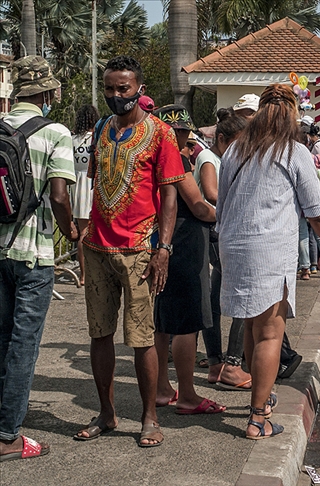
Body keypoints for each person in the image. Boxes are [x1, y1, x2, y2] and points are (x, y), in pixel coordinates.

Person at [217, 83, 320, 440]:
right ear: (292, 114)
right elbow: (316, 211)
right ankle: (258, 419)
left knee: (249, 326)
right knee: (271, 333)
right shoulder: (294, 151)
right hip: (269, 248)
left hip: (234, 245)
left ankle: (261, 396)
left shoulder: (234, 151)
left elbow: (222, 205)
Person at [75, 56, 185, 448]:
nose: (116, 95)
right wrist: (82, 235)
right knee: (99, 334)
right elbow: (92, 184)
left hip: (140, 248)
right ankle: (107, 413)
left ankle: (149, 417)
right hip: (98, 248)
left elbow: (170, 194)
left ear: (139, 88)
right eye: (109, 88)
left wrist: (164, 249)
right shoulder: (102, 129)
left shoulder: (160, 133)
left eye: (123, 88)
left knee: (141, 338)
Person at [0, 55, 78, 462]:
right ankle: (9, 435)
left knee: (0, 338)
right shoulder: (56, 133)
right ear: (47, 93)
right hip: (33, 253)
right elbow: (61, 197)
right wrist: (71, 232)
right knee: (24, 344)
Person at [150, 104, 226, 416]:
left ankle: (161, 387)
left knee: (164, 320)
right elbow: (197, 205)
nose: (185, 138)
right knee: (186, 322)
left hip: (160, 240)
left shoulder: (148, 157)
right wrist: (226, 216)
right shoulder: (176, 159)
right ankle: (187, 394)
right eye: (182, 132)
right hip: (182, 241)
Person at [192, 109, 254, 389]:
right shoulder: (209, 158)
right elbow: (211, 193)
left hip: (219, 232)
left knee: (215, 299)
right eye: (237, 143)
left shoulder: (223, 157)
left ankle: (218, 362)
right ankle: (230, 362)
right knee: (245, 295)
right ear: (221, 139)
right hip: (216, 232)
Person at [70, 104, 99, 285]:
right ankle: (93, 273)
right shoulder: (96, 139)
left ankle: (83, 274)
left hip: (77, 187)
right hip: (94, 184)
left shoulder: (71, 139)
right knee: (94, 232)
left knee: (83, 233)